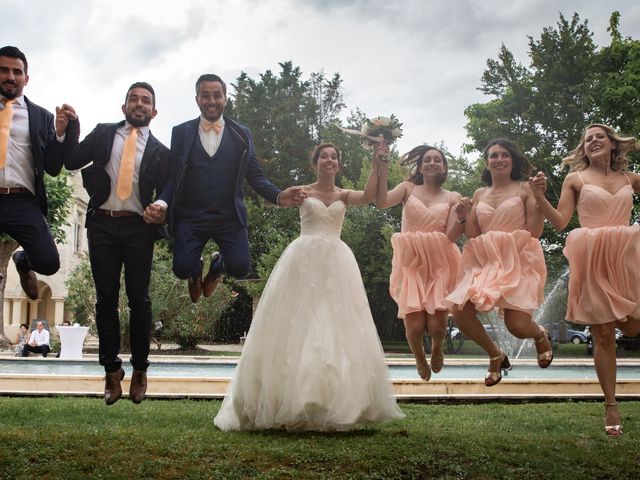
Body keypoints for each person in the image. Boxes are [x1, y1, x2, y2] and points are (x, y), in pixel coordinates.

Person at [214, 143, 404, 431]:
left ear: (339, 164)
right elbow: (275, 200)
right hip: (303, 261)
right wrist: (284, 196)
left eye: (334, 157)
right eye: (324, 156)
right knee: (298, 322)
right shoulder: (302, 191)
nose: (330, 160)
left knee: (333, 324)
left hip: (337, 264)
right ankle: (286, 399)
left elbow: (368, 195)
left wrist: (378, 163)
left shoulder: (343, 195)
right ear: (315, 163)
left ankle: (330, 402)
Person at [64, 82, 170, 405]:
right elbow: (71, 160)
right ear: (123, 107)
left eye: (146, 101)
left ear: (154, 112)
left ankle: (140, 370)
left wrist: (162, 206)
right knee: (105, 299)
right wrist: (71, 128)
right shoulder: (104, 133)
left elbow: (170, 190)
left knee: (140, 299)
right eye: (133, 99)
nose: (139, 104)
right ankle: (111, 372)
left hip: (139, 228)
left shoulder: (162, 153)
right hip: (103, 225)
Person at [530, 124, 640, 437]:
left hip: (627, 257)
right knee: (603, 334)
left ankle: (621, 316)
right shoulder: (575, 179)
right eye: (587, 139)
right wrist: (539, 198)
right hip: (592, 258)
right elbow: (562, 221)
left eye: (598, 136)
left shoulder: (630, 179)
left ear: (612, 144)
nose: (592, 141)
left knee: (632, 326)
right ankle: (610, 404)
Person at [162, 74, 305, 303]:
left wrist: (278, 196)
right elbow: (173, 176)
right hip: (192, 215)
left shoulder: (241, 134)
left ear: (225, 98)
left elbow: (256, 176)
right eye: (205, 95)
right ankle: (196, 266)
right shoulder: (181, 132)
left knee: (239, 267)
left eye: (217, 95)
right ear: (197, 99)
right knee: (182, 267)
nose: (211, 100)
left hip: (228, 216)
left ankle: (217, 265)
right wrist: (162, 203)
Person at [446, 138, 553, 386]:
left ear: (512, 160)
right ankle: (495, 354)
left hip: (517, 259)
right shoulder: (479, 193)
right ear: (487, 162)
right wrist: (463, 217)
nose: (499, 159)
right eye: (494, 155)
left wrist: (539, 198)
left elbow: (535, 231)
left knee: (516, 325)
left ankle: (539, 335)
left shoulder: (525, 188)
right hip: (485, 261)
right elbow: (473, 233)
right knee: (459, 312)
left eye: (504, 155)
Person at [375, 144, 465, 380]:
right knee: (414, 326)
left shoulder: (453, 197)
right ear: (421, 166)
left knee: (436, 326)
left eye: (437, 160)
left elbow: (452, 237)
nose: (432, 163)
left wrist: (463, 218)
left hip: (439, 263)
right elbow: (382, 201)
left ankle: (437, 348)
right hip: (412, 262)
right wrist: (382, 167)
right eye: (428, 160)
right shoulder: (407, 188)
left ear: (444, 167)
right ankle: (418, 357)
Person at [0, 46, 77, 298]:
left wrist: (60, 133)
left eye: (16, 71)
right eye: (3, 70)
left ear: (26, 78)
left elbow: (53, 168)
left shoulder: (41, 117)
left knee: (48, 262)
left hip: (23, 200)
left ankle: (23, 261)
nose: (10, 76)